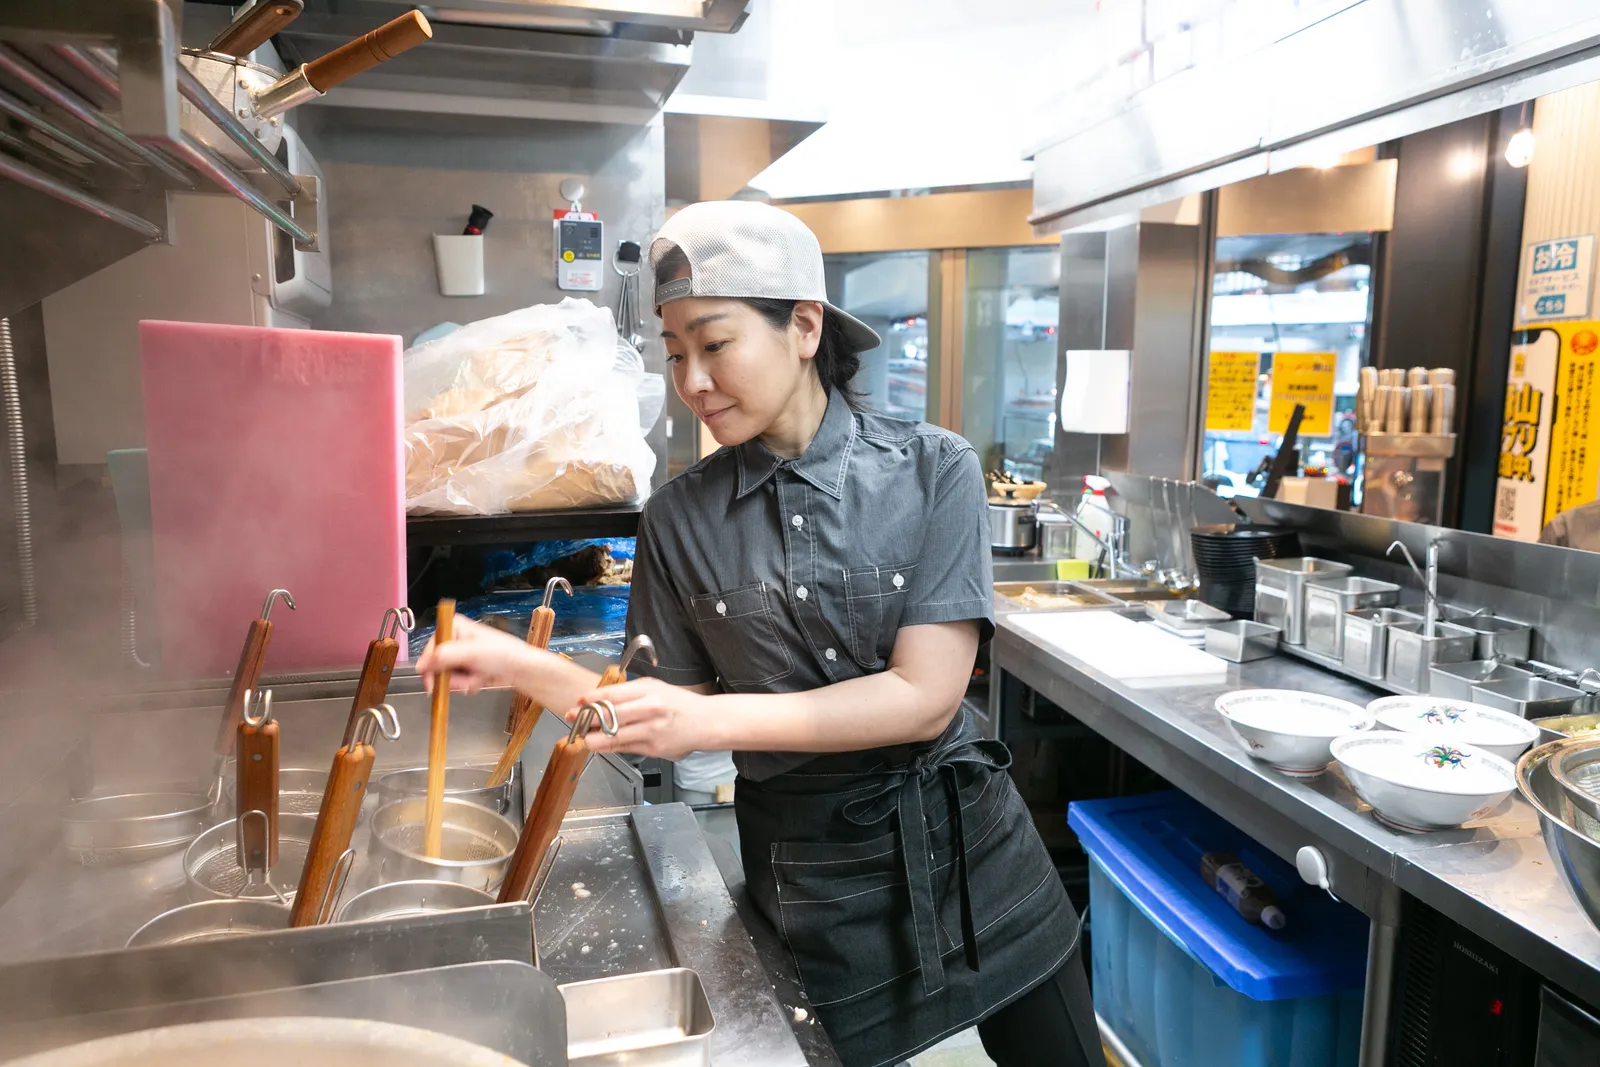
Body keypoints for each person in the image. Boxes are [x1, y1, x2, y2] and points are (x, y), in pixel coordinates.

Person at [419, 200, 1104, 1067]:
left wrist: (710, 719)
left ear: (805, 326)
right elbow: (654, 712)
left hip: (977, 865)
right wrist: (523, 664)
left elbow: (925, 697)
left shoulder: (936, 469)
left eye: (715, 344)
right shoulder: (678, 519)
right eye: (676, 353)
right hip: (814, 889)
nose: (693, 381)